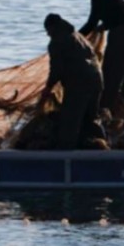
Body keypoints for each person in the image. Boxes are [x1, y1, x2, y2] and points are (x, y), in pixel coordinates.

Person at [38, 14, 104, 149]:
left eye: (48, 31)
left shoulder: (57, 42)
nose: (48, 34)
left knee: (70, 119)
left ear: (53, 28)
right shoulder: (79, 36)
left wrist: (48, 87)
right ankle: (101, 145)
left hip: (79, 83)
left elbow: (56, 69)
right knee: (92, 117)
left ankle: (65, 151)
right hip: (97, 79)